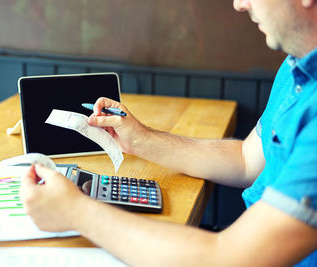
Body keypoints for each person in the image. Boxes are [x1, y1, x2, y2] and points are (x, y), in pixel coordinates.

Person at [20, 0, 317, 265]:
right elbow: (246, 159)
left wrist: (74, 211)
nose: (239, 4)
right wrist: (141, 139)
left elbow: (228, 257)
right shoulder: (298, 68)